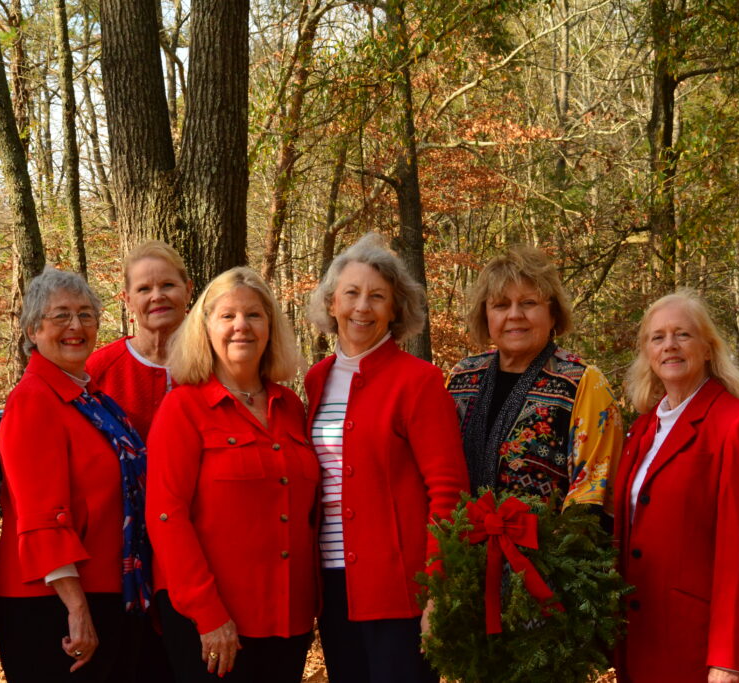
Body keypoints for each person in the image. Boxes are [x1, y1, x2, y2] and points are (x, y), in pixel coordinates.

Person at [305, 233, 469, 683]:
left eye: (377, 297)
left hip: (401, 589)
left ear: (395, 309)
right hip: (333, 586)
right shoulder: (315, 381)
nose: (363, 307)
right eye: (352, 294)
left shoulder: (419, 381)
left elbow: (448, 492)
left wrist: (438, 587)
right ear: (332, 302)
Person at [146, 267, 317, 682]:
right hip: (212, 621)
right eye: (227, 316)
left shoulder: (291, 406)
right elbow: (166, 516)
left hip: (288, 621)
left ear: (271, 327)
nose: (241, 326)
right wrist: (208, 615)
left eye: (254, 315)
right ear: (205, 329)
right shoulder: (183, 408)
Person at [0, 267, 152, 683]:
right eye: (60, 315)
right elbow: (42, 516)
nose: (76, 326)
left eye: (86, 314)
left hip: (105, 591)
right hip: (49, 601)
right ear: (32, 329)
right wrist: (77, 609)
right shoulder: (34, 401)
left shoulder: (93, 401)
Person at [613, 289, 739, 683]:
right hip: (642, 640)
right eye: (657, 337)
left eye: (682, 334)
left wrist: (728, 660)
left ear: (708, 348)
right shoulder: (641, 430)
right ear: (647, 353)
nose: (669, 345)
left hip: (701, 649)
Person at [446, 246, 622, 519]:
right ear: (486, 315)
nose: (514, 315)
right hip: (458, 551)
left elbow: (592, 495)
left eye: (528, 303)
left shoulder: (581, 383)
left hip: (545, 557)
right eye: (501, 305)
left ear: (553, 313)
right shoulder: (461, 378)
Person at [87, 240, 194, 441]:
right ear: (128, 300)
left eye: (168, 285)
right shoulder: (98, 369)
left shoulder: (216, 362)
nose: (157, 296)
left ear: (188, 290)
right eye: (144, 289)